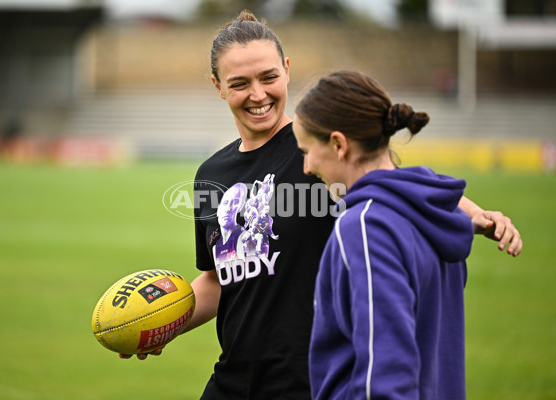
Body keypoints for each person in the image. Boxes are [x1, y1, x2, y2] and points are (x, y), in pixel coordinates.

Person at [121, 10, 523, 400]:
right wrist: (164, 323)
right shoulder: (213, 173)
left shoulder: (320, 151)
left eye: (269, 77)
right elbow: (220, 277)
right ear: (218, 86)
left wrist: (476, 215)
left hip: (309, 381)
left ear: (288, 70)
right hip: (235, 379)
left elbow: (395, 185)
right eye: (240, 82)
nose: (258, 94)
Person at [292, 70, 476, 399]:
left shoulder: (365, 227)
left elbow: (386, 370)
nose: (306, 167)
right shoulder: (434, 214)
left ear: (338, 144)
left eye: (307, 150)